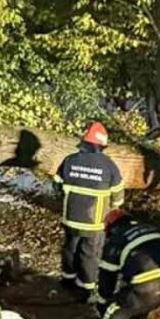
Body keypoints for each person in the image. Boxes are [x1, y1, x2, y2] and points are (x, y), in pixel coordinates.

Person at [53, 122, 124, 300]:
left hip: (70, 218)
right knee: (89, 253)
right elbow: (118, 194)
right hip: (94, 221)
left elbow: (57, 185)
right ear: (101, 145)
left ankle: (67, 280)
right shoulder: (109, 165)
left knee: (70, 248)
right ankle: (86, 289)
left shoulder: (70, 160)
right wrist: (114, 208)